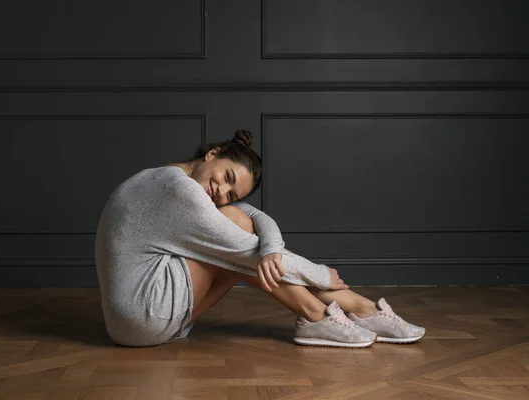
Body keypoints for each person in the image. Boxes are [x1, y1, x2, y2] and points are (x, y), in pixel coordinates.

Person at [95, 129, 425, 348]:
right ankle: (337, 311)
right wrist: (320, 273)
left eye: (230, 192)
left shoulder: (167, 177)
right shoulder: (178, 190)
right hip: (146, 314)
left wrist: (270, 249)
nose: (221, 192)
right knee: (239, 234)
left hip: (130, 322)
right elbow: (246, 244)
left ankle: (331, 314)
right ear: (212, 153)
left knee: (240, 227)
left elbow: (256, 217)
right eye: (226, 177)